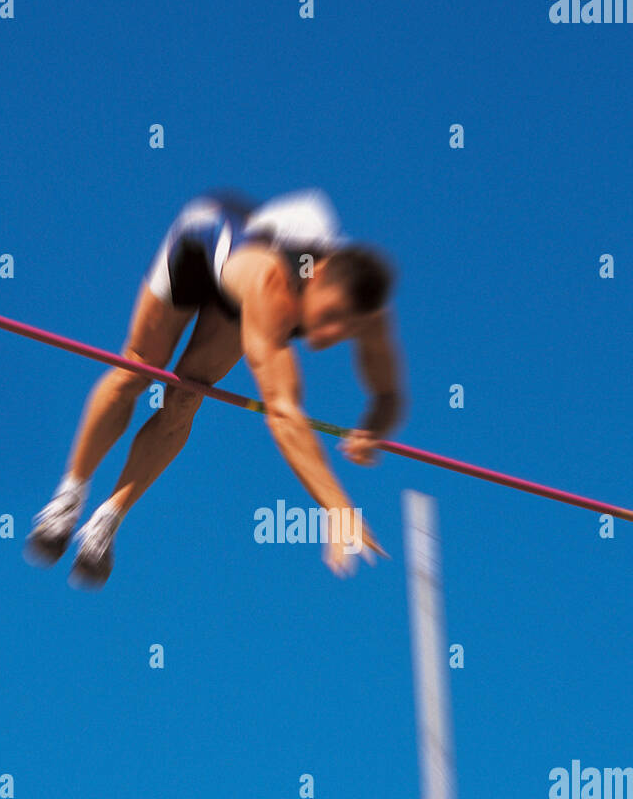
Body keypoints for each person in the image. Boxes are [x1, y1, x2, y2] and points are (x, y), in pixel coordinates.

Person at [24, 187, 405, 585]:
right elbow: (283, 413)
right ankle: (69, 496)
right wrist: (338, 509)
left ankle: (107, 518)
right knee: (138, 369)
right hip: (202, 245)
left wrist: (376, 426)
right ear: (320, 277)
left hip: (241, 290)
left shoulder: (369, 311)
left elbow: (389, 395)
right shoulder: (270, 286)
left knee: (186, 397)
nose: (330, 334)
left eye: (347, 326)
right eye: (330, 315)